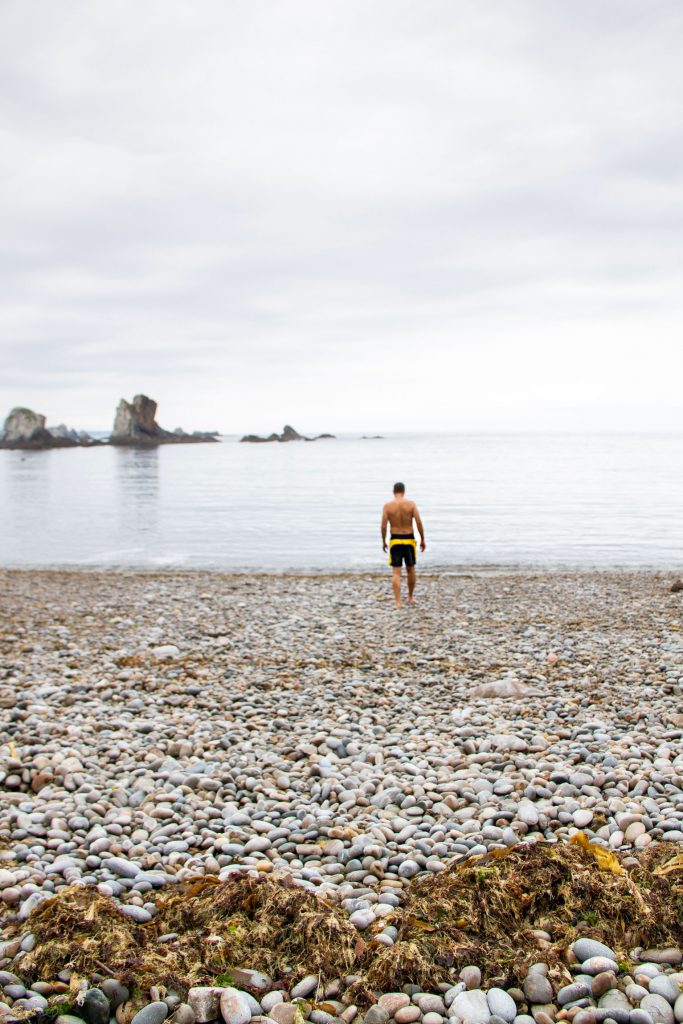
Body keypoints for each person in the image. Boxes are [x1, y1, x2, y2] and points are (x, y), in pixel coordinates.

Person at [381, 482, 426, 608]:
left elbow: (384, 525)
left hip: (395, 540)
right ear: (404, 491)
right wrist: (422, 539)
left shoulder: (387, 506)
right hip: (408, 539)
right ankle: (410, 597)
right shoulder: (411, 504)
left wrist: (384, 541)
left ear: (393, 491)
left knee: (396, 572)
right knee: (411, 570)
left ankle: (398, 602)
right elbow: (418, 522)